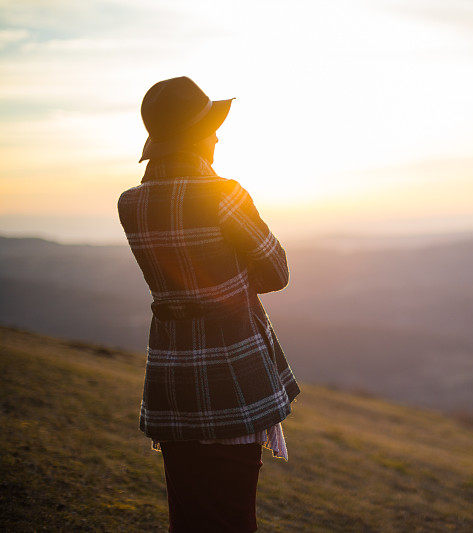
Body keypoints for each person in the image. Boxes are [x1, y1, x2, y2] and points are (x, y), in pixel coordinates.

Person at [117, 76, 301, 532]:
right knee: (235, 514)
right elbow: (276, 273)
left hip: (170, 380)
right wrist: (236, 273)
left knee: (190, 512)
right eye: (210, 127)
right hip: (231, 377)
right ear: (194, 136)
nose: (217, 135)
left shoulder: (131, 203)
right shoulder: (224, 194)